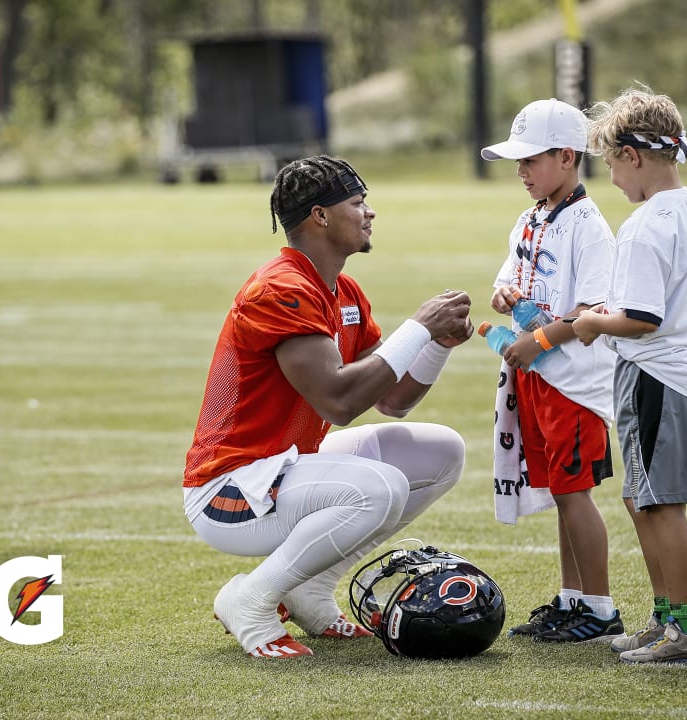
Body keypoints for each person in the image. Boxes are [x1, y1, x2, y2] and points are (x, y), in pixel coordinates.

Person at [182, 155, 474, 659]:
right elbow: (338, 401)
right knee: (379, 488)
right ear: (320, 216)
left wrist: (437, 344)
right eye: (358, 203)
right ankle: (250, 600)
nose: (370, 213)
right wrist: (418, 328)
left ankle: (309, 590)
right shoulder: (280, 288)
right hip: (230, 489)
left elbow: (391, 399)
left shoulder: (343, 290)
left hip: (284, 466)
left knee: (441, 451)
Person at [573, 85, 687, 664]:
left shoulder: (646, 225)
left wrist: (592, 322)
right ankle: (667, 617)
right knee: (641, 500)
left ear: (633, 156)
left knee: (661, 503)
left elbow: (641, 318)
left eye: (612, 163)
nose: (612, 177)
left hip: (656, 376)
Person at [479, 98, 622, 643]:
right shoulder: (531, 217)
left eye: (530, 160)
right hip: (536, 379)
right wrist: (505, 295)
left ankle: (602, 609)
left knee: (573, 491)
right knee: (561, 492)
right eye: (517, 162)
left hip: (574, 385)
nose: (521, 172)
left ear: (567, 157)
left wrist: (534, 341)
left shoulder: (589, 227)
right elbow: (505, 283)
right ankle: (572, 600)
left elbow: (593, 313)